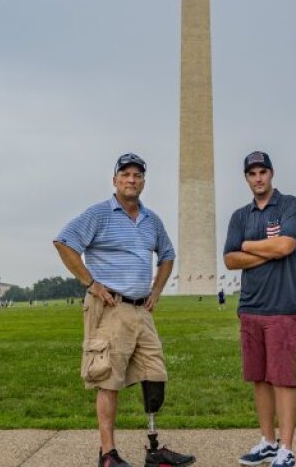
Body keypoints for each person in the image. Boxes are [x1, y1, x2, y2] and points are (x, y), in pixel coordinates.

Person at [53, 153, 195, 467]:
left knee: (154, 376)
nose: (132, 180)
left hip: (141, 310)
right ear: (115, 180)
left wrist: (157, 290)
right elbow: (64, 242)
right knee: (108, 378)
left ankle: (154, 448)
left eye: (137, 175)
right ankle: (108, 454)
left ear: (143, 181)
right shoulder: (99, 214)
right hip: (110, 307)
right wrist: (90, 283)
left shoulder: (151, 220)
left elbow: (168, 255)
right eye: (126, 174)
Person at [224, 151, 296, 467]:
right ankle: (267, 442)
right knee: (259, 378)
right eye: (252, 173)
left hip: (283, 307)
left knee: (283, 379)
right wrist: (267, 252)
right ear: (246, 178)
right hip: (250, 308)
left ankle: (286, 449)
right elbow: (230, 259)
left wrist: (247, 246)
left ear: (271, 174)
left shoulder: (289, 205)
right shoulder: (240, 216)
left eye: (263, 172)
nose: (258, 178)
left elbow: (287, 246)